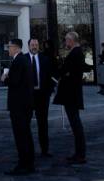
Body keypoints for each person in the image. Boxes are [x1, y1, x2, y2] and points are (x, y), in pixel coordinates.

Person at [3, 37, 34, 175]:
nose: (8, 49)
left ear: (15, 47)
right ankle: (28, 162)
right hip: (25, 105)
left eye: (9, 46)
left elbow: (14, 82)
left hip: (19, 106)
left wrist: (5, 77)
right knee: (26, 134)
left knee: (21, 135)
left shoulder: (18, 61)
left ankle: (24, 164)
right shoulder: (25, 60)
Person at [53, 31, 86, 164]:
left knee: (76, 124)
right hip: (72, 94)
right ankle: (79, 153)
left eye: (67, 40)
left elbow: (67, 71)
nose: (65, 43)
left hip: (71, 95)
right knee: (75, 123)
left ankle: (80, 154)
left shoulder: (75, 53)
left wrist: (60, 72)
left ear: (72, 40)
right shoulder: (76, 53)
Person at [27, 38, 55, 157]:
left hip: (42, 96)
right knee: (25, 123)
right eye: (32, 45)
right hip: (28, 96)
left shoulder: (45, 59)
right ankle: (28, 150)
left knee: (43, 123)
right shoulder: (23, 59)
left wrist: (49, 92)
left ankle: (45, 150)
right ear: (28, 46)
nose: (34, 46)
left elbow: (51, 76)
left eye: (36, 45)